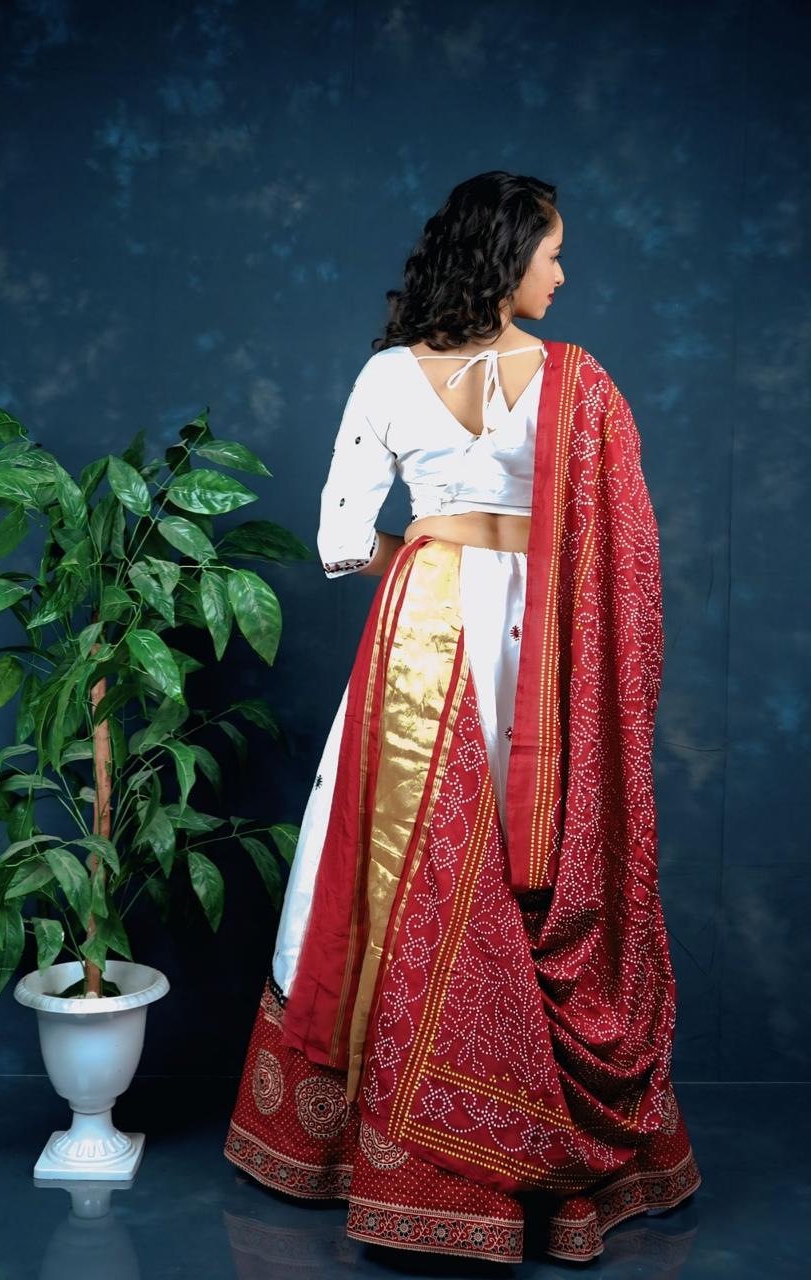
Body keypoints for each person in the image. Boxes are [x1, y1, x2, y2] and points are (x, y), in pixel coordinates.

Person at [224, 171, 702, 1265]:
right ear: (507, 256)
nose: (561, 274)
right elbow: (619, 551)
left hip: (421, 637)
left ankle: (384, 1128)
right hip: (545, 645)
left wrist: (430, 560)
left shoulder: (388, 375)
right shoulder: (579, 382)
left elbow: (342, 540)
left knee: (404, 864)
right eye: (551, 254)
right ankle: (522, 1136)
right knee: (532, 854)